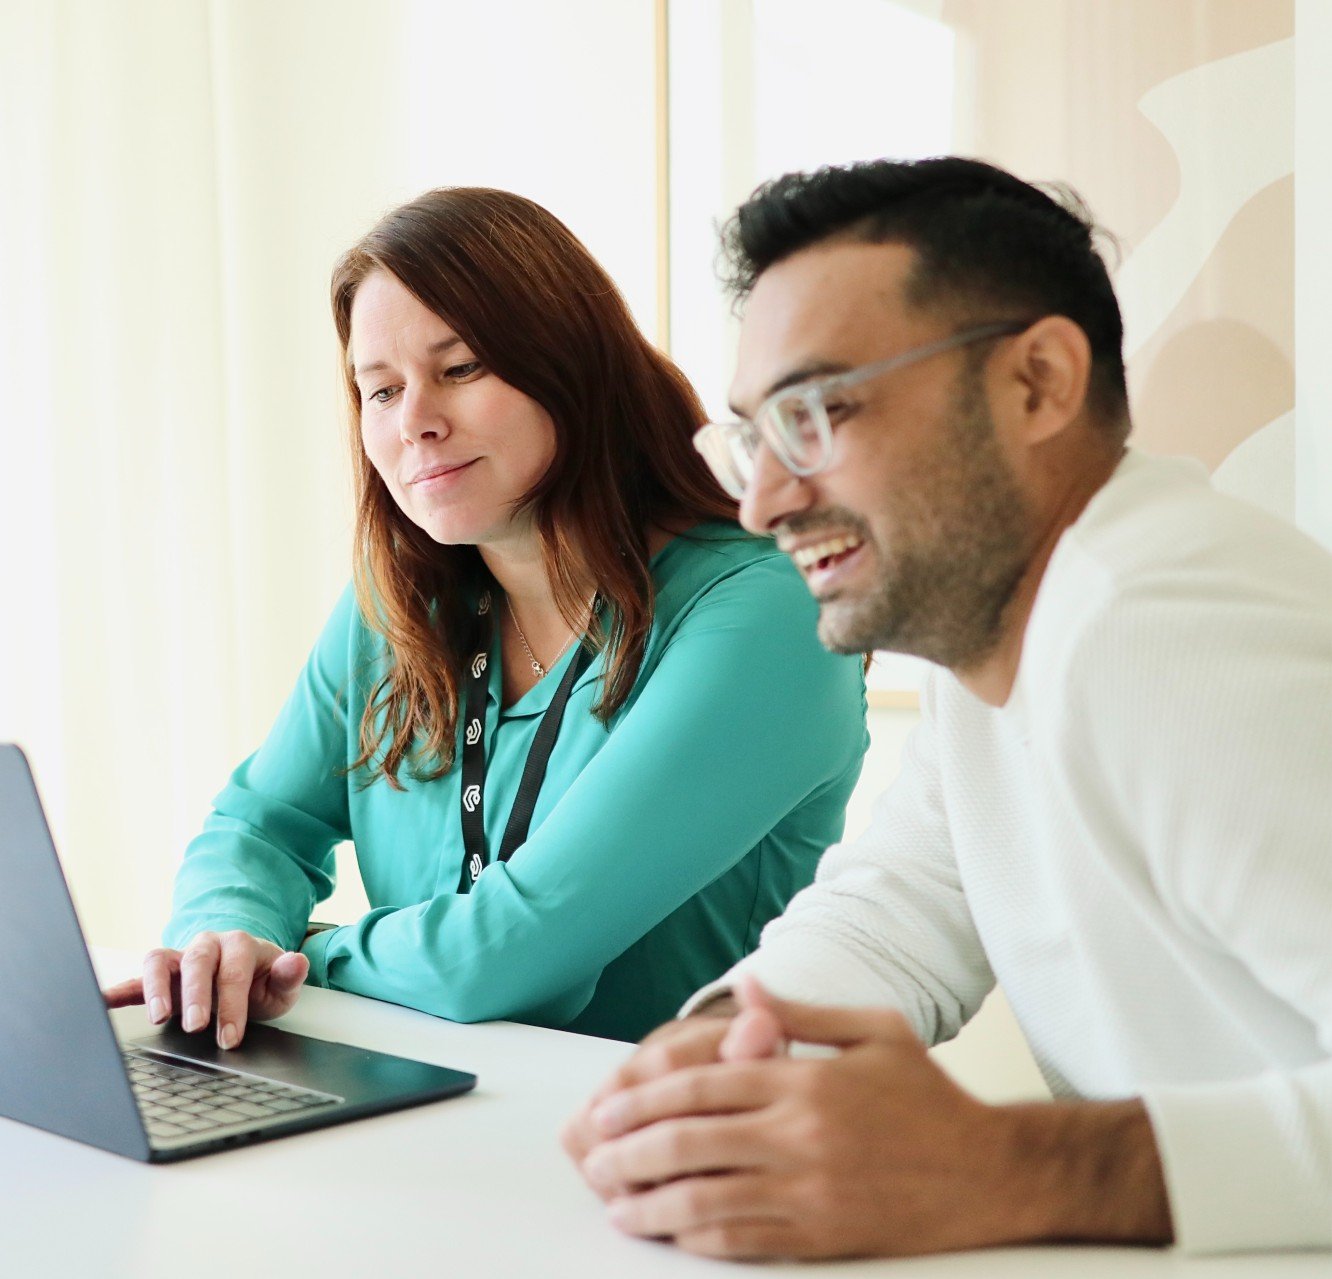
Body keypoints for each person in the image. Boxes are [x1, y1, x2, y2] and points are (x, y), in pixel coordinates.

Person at [563, 157, 1332, 1259]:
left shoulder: (1158, 629)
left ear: (1037, 384)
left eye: (818, 413)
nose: (764, 499)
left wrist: (1009, 1163)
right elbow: (895, 912)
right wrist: (730, 1050)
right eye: (755, 437)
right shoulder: (1004, 623)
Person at [102, 187, 868, 1048]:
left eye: (460, 369)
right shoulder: (399, 600)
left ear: (570, 362)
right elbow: (258, 823)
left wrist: (299, 955)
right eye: (380, 391)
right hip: (420, 1109)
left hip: (678, 1143)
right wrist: (223, 938)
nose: (415, 423)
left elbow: (508, 954)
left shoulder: (764, 613)